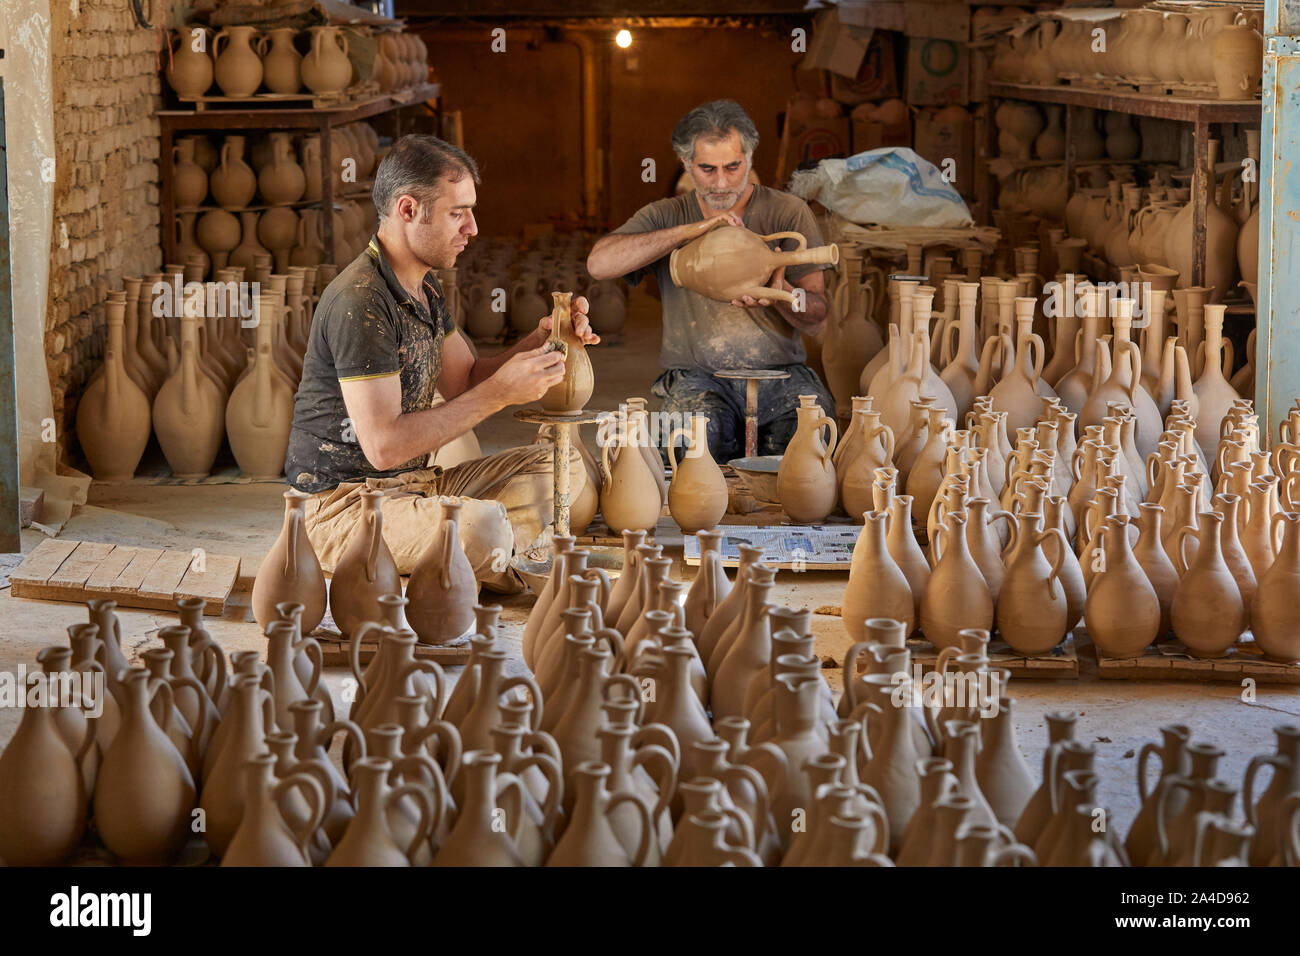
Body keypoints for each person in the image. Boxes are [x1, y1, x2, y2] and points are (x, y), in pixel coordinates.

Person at [284, 134, 596, 592]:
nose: (472, 228)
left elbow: (466, 379)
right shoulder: (362, 301)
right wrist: (500, 394)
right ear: (408, 209)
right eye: (458, 213)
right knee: (480, 529)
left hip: (417, 486)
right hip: (344, 508)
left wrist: (543, 340)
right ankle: (483, 554)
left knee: (564, 466)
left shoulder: (423, 289)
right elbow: (384, 447)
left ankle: (467, 552)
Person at [587, 99, 834, 463]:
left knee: (812, 444)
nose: (721, 182)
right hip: (698, 377)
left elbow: (819, 313)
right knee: (687, 448)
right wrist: (689, 232)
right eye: (707, 169)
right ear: (686, 163)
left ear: (749, 158)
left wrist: (785, 296)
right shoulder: (668, 214)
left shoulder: (786, 211)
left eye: (733, 167)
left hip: (779, 374)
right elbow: (599, 263)